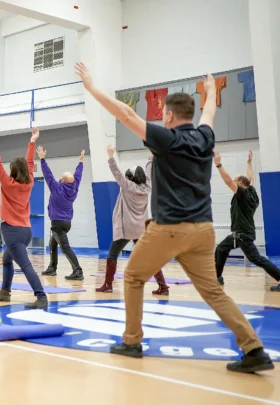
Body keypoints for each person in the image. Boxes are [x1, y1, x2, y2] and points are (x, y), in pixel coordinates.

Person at [75, 61, 274, 373]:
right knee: (213, 291)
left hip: (170, 229)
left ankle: (131, 341)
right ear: (190, 115)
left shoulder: (166, 139)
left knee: (133, 277)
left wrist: (91, 88)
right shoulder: (204, 137)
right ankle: (254, 348)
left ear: (167, 115)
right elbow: (209, 114)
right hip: (204, 230)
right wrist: (210, 92)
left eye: (162, 114)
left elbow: (127, 115)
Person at [0, 126, 48, 309]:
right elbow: (29, 163)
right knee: (6, 259)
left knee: (25, 265)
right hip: (26, 232)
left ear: (12, 170)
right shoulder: (29, 182)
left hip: (11, 231)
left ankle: (41, 296)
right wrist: (32, 141)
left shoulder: (7, 183)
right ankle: (5, 292)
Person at [96, 144, 170, 295]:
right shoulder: (147, 186)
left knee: (112, 256)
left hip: (125, 229)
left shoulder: (128, 186)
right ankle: (163, 286)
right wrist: (152, 155)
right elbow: (149, 170)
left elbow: (116, 173)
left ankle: (108, 285)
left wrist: (110, 156)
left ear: (131, 178)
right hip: (140, 229)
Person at [213, 149, 280, 291]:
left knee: (257, 259)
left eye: (236, 180)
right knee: (221, 248)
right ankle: (217, 277)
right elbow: (251, 178)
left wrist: (218, 165)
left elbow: (228, 181)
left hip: (242, 234)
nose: (234, 182)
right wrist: (249, 163)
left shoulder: (242, 194)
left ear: (241, 183)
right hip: (243, 233)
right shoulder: (252, 191)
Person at [38, 147, 85, 281]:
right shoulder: (74, 187)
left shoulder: (56, 187)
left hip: (57, 224)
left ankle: (78, 270)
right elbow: (78, 174)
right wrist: (81, 162)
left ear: (62, 181)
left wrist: (42, 158)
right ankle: (52, 268)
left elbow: (47, 174)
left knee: (65, 247)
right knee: (53, 244)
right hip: (67, 223)